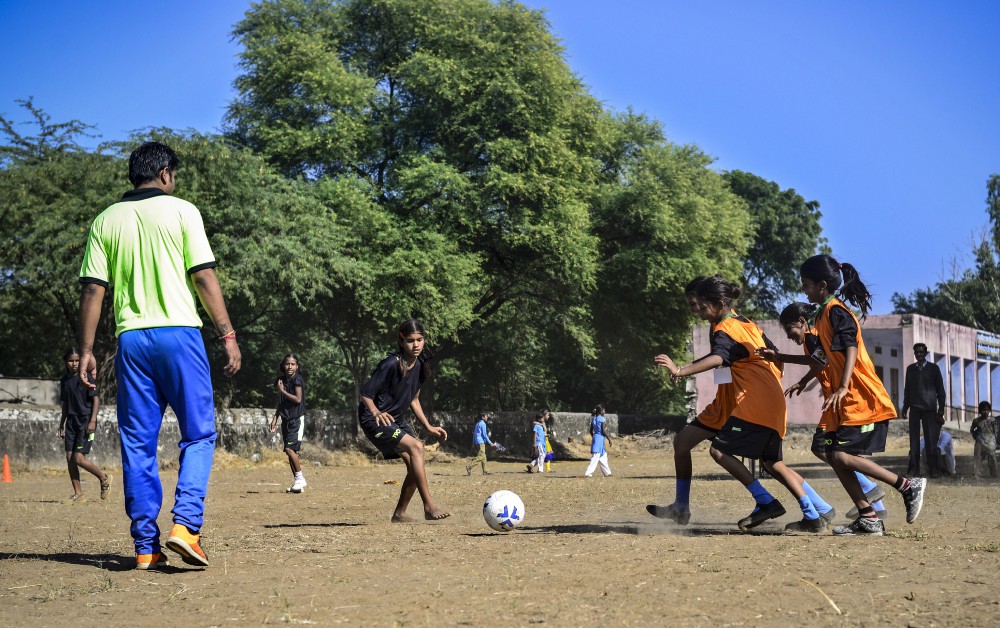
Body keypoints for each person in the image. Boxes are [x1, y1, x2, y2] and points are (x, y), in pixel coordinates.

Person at [78, 141, 241, 570]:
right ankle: (186, 527)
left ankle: (145, 547)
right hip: (179, 336)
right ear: (166, 174)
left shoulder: (105, 220)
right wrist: (228, 334)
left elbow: (94, 288)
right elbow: (203, 276)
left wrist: (87, 350)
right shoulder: (182, 211)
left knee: (138, 443)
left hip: (131, 341)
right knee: (199, 434)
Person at [655, 276, 831, 533]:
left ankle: (769, 502)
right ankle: (817, 509)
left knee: (723, 452)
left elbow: (719, 357)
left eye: (701, 306)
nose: (698, 312)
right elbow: (770, 359)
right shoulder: (746, 323)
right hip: (746, 400)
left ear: (720, 304)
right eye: (694, 306)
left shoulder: (724, 328)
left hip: (749, 402)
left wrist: (680, 370)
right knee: (685, 443)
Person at [798, 254, 925, 536]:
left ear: (821, 285)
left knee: (840, 455)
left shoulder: (836, 311)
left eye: (806, 285)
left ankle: (907, 485)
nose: (804, 290)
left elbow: (851, 348)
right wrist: (785, 362)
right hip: (843, 401)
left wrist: (843, 386)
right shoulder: (820, 315)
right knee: (831, 453)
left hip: (860, 396)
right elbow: (821, 359)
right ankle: (868, 517)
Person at [761, 302, 887, 519]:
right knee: (842, 453)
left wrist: (780, 357)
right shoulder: (814, 335)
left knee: (823, 448)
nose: (789, 337)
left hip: (837, 401)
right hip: (837, 400)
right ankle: (877, 507)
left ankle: (870, 488)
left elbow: (817, 360)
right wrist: (803, 382)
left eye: (789, 331)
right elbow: (820, 363)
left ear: (801, 322)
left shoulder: (812, 335)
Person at [358, 319, 450, 521]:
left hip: (395, 419)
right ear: (401, 341)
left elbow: (414, 399)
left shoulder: (421, 366)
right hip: (374, 420)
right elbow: (365, 393)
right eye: (410, 341)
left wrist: (428, 426)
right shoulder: (390, 364)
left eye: (420, 340)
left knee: (415, 466)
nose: (416, 345)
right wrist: (375, 412)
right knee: (417, 447)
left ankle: (400, 514)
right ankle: (429, 507)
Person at [57, 348, 112, 503]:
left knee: (79, 458)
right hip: (71, 422)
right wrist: (62, 424)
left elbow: (95, 399)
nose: (74, 364)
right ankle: (78, 494)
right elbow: (66, 404)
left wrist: (93, 420)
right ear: (65, 362)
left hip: (85, 421)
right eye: (71, 361)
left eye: (77, 360)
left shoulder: (86, 377)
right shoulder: (65, 380)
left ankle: (104, 478)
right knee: (69, 458)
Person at [901, 343, 946, 478]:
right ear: (914, 353)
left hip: (930, 410)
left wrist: (941, 410)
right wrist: (905, 407)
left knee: (931, 441)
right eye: (916, 352)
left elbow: (941, 391)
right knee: (913, 441)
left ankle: (934, 471)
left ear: (925, 353)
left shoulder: (934, 369)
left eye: (921, 352)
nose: (919, 354)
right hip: (914, 409)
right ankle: (914, 470)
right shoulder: (910, 369)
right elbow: (907, 390)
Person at [269, 354, 307, 493]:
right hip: (286, 420)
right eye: (287, 364)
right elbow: (281, 401)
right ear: (283, 366)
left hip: (297, 419)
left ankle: (300, 479)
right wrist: (275, 418)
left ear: (297, 366)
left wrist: (283, 391)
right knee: (289, 450)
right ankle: (298, 483)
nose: (290, 367)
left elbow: (297, 399)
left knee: (290, 449)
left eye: (293, 364)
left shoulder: (297, 379)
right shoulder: (281, 380)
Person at [584, 404, 613, 478]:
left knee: (603, 456)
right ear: (601, 411)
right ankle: (588, 473)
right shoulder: (602, 419)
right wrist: (609, 439)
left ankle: (607, 472)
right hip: (600, 438)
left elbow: (590, 431)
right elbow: (603, 431)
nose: (605, 411)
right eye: (604, 410)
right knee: (595, 456)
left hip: (596, 438)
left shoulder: (593, 419)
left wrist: (594, 436)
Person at [971, 402, 998, 478]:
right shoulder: (976, 421)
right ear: (980, 411)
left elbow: (996, 432)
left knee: (991, 455)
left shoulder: (993, 420)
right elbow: (972, 430)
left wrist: (995, 441)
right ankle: (976, 474)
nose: (985, 411)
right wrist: (976, 436)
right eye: (983, 410)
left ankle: (994, 474)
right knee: (977, 455)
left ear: (989, 411)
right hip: (980, 441)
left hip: (990, 441)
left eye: (987, 410)